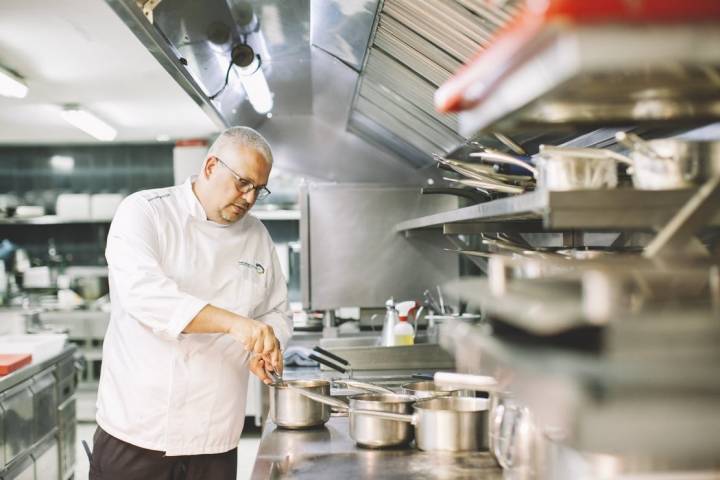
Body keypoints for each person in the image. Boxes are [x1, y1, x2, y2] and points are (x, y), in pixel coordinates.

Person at [89, 126, 292, 479]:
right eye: (243, 183)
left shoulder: (256, 235)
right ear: (211, 166)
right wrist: (235, 323)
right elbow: (145, 295)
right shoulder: (145, 212)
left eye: (259, 189)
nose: (249, 198)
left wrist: (266, 342)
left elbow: (275, 310)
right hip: (137, 431)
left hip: (216, 435)